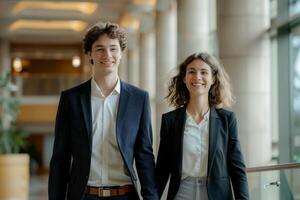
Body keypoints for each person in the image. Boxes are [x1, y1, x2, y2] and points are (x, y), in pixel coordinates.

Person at [48, 22, 158, 200]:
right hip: (84, 195)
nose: (107, 55)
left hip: (125, 195)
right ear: (90, 54)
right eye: (100, 49)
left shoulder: (139, 99)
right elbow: (60, 157)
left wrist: (151, 198)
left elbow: (144, 155)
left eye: (113, 49)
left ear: (121, 53)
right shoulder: (71, 99)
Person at [156, 52, 249, 200]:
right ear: (184, 78)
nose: (197, 77)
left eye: (204, 72)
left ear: (213, 79)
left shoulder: (227, 119)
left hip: (218, 195)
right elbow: (162, 169)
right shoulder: (170, 121)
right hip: (182, 193)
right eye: (191, 72)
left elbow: (237, 170)